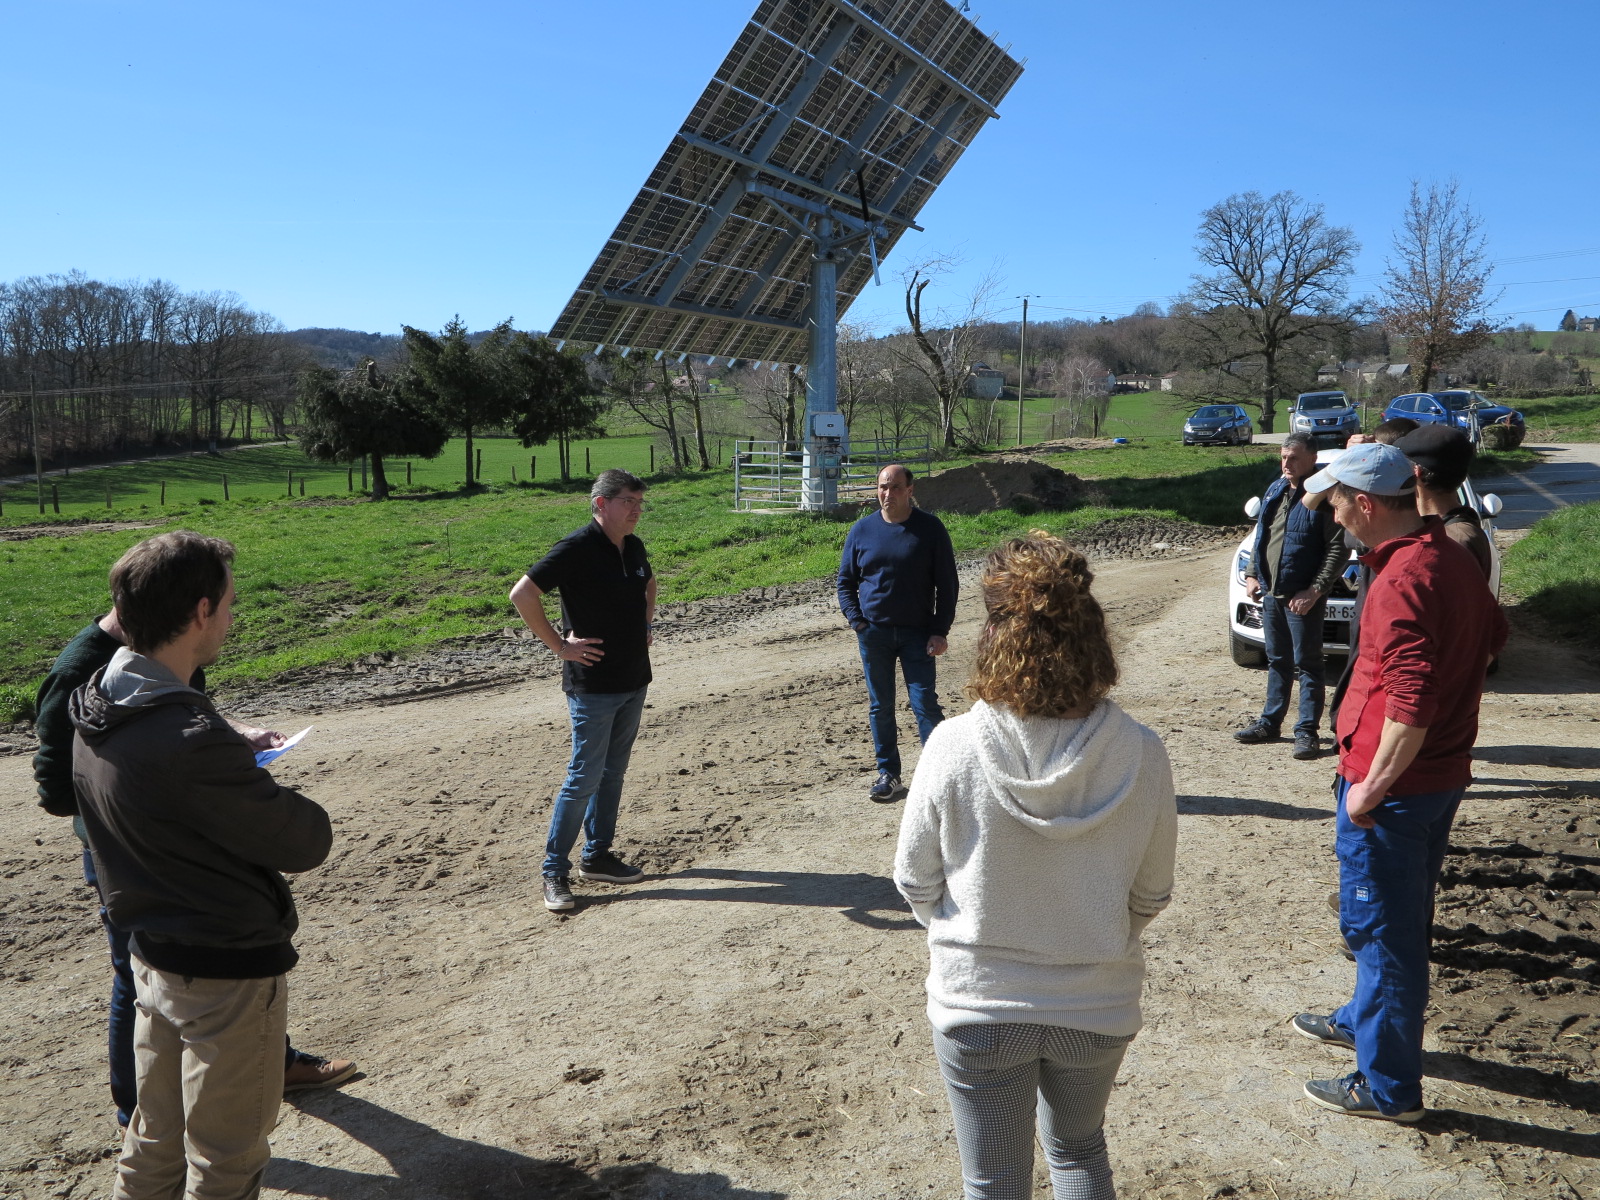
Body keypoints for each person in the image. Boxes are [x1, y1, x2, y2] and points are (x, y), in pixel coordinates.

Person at [894, 532, 1176, 1200]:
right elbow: (1150, 894)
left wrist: (971, 930)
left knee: (993, 1180)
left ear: (994, 632)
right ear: (1092, 632)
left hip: (979, 1004)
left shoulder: (951, 746)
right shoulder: (1141, 752)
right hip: (1096, 1006)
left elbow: (914, 879)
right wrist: (1089, 936)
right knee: (1078, 1154)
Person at [70, 531, 335, 1198]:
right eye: (229, 604)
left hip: (152, 953)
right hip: (223, 968)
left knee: (153, 1142)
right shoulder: (187, 740)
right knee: (225, 1159)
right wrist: (239, 773)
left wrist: (220, 757)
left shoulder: (98, 703)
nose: (232, 617)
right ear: (200, 612)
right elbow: (305, 840)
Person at [32, 610, 355, 1130]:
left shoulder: (162, 651)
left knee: (188, 972)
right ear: (185, 606)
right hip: (127, 847)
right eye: (224, 605)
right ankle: (136, 1111)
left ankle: (274, 1062)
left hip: (183, 827)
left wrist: (233, 735)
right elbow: (54, 788)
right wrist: (146, 787)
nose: (230, 618)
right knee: (138, 977)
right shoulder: (79, 669)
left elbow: (174, 715)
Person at [1290, 444, 1506, 1122]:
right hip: (1435, 778)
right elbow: (1494, 636)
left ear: (1365, 505)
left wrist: (1372, 786)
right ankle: (1364, 1020)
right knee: (1398, 917)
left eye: (1336, 504)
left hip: (1396, 792)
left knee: (1383, 932)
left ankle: (1387, 1089)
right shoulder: (1450, 556)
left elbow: (1411, 701)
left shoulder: (1404, 578)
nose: (1331, 515)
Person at [511, 468, 656, 914]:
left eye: (639, 502)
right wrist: (560, 646)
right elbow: (522, 595)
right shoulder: (576, 548)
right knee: (583, 778)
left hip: (634, 678)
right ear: (601, 504)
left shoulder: (632, 546)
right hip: (593, 686)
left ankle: (597, 857)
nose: (636, 510)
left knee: (613, 774)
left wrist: (646, 625)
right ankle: (554, 871)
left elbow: (649, 584)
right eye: (628, 501)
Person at [837, 464, 958, 802]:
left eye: (895, 487)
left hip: (918, 634)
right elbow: (845, 582)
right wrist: (858, 622)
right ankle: (889, 775)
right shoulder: (862, 530)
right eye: (882, 487)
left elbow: (947, 585)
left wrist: (939, 631)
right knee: (881, 706)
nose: (887, 493)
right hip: (874, 634)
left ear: (909, 490)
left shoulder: (930, 529)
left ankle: (939, 775)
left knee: (925, 704)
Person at [1234, 433, 1345, 760]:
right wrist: (1253, 573)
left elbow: (1337, 549)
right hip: (1272, 593)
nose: (1287, 463)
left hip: (1302, 597)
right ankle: (1270, 723)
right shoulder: (1276, 489)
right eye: (1283, 457)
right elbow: (1261, 536)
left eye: (1294, 458)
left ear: (1312, 459)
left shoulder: (1324, 495)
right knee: (1277, 660)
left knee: (1308, 663)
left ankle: (1307, 731)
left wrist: (1315, 590)